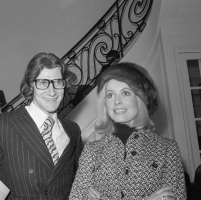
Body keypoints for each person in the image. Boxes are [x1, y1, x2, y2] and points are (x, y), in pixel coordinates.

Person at [69, 62, 186, 200]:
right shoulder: (91, 151)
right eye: (110, 95)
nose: (117, 101)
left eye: (125, 93)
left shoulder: (167, 149)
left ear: (140, 99)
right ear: (104, 103)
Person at [0, 52, 83, 199]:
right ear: (30, 85)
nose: (52, 91)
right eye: (43, 83)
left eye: (58, 82)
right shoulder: (2, 125)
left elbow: (77, 184)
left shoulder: (73, 130)